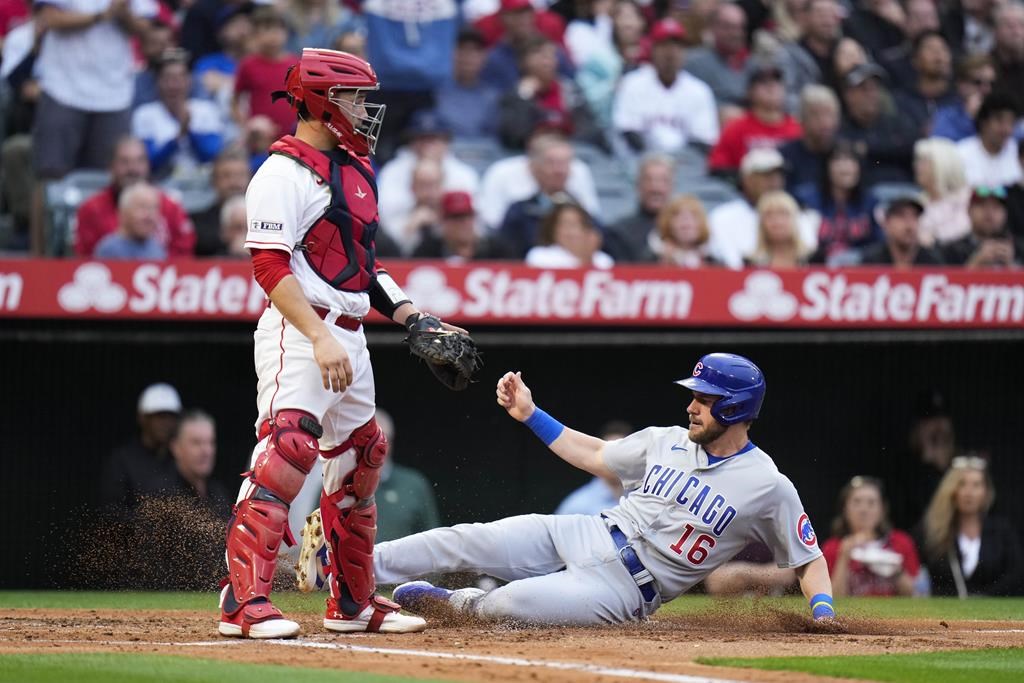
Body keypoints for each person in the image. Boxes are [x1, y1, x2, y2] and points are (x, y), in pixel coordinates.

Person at [219, 48, 474, 639]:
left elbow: (362, 264)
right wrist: (317, 334)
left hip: (351, 331)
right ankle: (242, 601)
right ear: (318, 101)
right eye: (353, 98)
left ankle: (352, 604)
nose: (364, 110)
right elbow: (269, 268)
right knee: (287, 452)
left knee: (361, 458)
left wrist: (412, 316)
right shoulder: (280, 173)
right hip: (301, 329)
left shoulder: (356, 169)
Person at [370, 353, 836, 626]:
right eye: (694, 396)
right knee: (467, 538)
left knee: (508, 604)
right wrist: (532, 414)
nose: (692, 406)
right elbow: (593, 455)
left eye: (705, 399)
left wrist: (823, 613)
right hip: (589, 531)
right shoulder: (665, 440)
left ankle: (457, 603)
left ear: (735, 408)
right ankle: (356, 566)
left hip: (625, 589)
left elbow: (808, 557)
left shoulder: (767, 485)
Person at [612, 18, 719, 155]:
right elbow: (627, 131)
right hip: (642, 162)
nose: (670, 52)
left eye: (677, 46)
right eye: (664, 45)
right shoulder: (632, 83)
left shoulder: (699, 91)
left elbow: (704, 141)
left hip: (686, 165)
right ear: (652, 49)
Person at [75, 136, 195, 257]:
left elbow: (183, 256)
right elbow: (85, 261)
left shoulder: (171, 208)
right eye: (124, 162)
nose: (133, 169)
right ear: (111, 167)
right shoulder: (91, 209)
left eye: (140, 161)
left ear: (148, 165)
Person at [920, 456, 1024, 596]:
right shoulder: (934, 531)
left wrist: (985, 597)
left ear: (986, 492)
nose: (969, 492)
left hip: (994, 613)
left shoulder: (1002, 531)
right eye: (962, 484)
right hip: (946, 614)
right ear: (952, 491)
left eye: (976, 485)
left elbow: (1015, 573)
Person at [376, 109, 479, 247]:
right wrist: (415, 214)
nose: (428, 145)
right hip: (401, 243)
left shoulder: (464, 174)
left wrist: (439, 217)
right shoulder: (393, 171)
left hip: (450, 244)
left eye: (434, 138)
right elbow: (384, 216)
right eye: (422, 138)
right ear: (411, 141)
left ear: (446, 141)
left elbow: (476, 224)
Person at [708, 148, 818, 269]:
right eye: (766, 175)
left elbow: (810, 255)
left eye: (778, 175)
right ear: (747, 179)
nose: (774, 181)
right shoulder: (723, 217)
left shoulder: (801, 215)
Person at [131, 49, 227, 180]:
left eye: (179, 78)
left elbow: (212, 154)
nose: (173, 85)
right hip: (160, 181)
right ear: (158, 81)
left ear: (189, 81)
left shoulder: (206, 110)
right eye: (168, 79)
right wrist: (178, 137)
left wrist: (190, 132)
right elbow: (148, 161)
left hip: (202, 182)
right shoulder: (145, 114)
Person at [477, 129, 599, 231]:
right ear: (533, 165)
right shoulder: (501, 173)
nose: (559, 171)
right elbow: (491, 223)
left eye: (565, 163)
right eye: (552, 163)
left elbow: (592, 221)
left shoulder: (580, 171)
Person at [821, 476, 919, 597]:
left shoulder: (901, 542)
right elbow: (834, 599)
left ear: (882, 510)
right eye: (857, 502)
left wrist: (895, 569)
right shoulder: (832, 548)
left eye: (871, 503)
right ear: (845, 509)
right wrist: (844, 556)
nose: (864, 509)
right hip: (853, 615)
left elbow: (913, 596)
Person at [708, 59, 803, 178]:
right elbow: (717, 168)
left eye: (777, 81)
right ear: (749, 92)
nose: (771, 86)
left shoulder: (798, 129)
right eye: (763, 82)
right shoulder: (735, 129)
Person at [99, 382, 182, 510]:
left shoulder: (180, 459)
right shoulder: (121, 461)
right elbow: (111, 511)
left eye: (171, 417)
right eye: (160, 416)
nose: (166, 423)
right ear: (142, 418)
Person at [800, 141, 879, 265]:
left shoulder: (871, 202)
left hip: (860, 270)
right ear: (827, 167)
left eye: (851, 160)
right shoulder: (808, 200)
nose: (845, 167)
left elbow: (880, 243)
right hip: (815, 267)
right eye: (838, 161)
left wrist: (858, 255)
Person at [232, 8, 298, 139]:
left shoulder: (296, 64)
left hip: (293, 137)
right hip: (261, 139)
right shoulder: (248, 65)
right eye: (267, 30)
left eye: (278, 30)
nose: (274, 36)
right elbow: (235, 102)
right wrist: (247, 125)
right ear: (255, 35)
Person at [604, 153, 675, 263]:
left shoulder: (686, 231)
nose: (656, 188)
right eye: (649, 180)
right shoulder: (619, 233)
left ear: (672, 186)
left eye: (663, 180)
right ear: (638, 185)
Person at [432, 27, 501, 140]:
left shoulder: (492, 96)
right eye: (461, 48)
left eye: (475, 50)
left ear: (484, 57)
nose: (468, 56)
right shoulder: (433, 90)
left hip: (484, 154)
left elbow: (494, 138)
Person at [683, 3, 750, 117]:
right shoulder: (694, 63)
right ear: (713, 27)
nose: (736, 33)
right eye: (728, 27)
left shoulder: (752, 64)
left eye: (740, 27)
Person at [554, 420, 630, 516]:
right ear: (599, 456)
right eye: (610, 454)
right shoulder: (577, 506)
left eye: (622, 453)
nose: (615, 460)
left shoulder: (646, 498)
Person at [411, 191, 514, 261]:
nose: (464, 222)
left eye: (468, 215)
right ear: (443, 220)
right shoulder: (428, 251)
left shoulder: (495, 250)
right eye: (456, 217)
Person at [780, 85, 841, 200]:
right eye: (815, 115)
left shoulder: (845, 155)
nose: (824, 122)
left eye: (829, 114)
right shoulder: (785, 157)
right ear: (802, 119)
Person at [190, 149, 252, 256]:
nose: (234, 183)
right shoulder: (197, 224)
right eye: (226, 176)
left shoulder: (265, 218)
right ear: (213, 181)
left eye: (240, 175)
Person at [941, 186, 1023, 268]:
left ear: (1005, 213)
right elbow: (941, 278)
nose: (989, 213)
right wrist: (975, 264)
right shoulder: (952, 250)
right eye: (982, 205)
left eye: (996, 207)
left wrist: (1012, 267)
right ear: (969, 210)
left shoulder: (1019, 249)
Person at [167, 409, 231, 512]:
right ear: (176, 447)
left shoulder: (219, 493)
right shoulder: (163, 495)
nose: (206, 451)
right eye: (196, 443)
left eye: (210, 442)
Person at [857, 192, 944, 266]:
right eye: (901, 216)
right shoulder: (871, 261)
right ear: (886, 223)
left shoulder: (932, 262)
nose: (909, 226)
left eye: (914, 217)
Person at [955, 92, 1023, 188]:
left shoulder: (1018, 154)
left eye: (1011, 122)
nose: (1006, 129)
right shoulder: (960, 153)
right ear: (984, 122)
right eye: (1000, 121)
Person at [525, 200, 613, 269]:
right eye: (565, 224)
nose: (571, 231)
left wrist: (587, 258)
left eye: (575, 224)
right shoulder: (539, 256)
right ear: (553, 228)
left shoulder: (603, 260)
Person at [93, 183, 168, 260]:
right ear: (123, 212)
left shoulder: (158, 250)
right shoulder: (109, 251)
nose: (149, 216)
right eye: (142, 208)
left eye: (153, 209)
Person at [932, 54, 996, 142]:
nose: (987, 90)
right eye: (978, 82)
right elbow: (942, 145)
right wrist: (968, 118)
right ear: (961, 83)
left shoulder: (999, 113)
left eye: (991, 84)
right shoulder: (947, 115)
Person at [650, 194, 719, 268]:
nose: (686, 220)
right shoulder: (652, 259)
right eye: (678, 215)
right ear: (668, 223)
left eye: (693, 216)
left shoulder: (713, 262)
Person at [745, 191, 810, 268]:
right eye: (769, 215)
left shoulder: (816, 259)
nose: (777, 221)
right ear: (761, 223)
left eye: (783, 213)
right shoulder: (750, 264)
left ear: (795, 219)